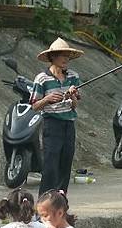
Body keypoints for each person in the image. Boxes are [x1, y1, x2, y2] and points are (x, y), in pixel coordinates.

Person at [30, 37, 84, 195]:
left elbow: (74, 105)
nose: (66, 59)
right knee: (51, 166)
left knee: (65, 164)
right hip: (52, 125)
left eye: (68, 56)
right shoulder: (42, 78)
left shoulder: (73, 76)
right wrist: (47, 99)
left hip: (69, 125)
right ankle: (44, 203)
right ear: (53, 57)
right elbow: (34, 106)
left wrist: (73, 95)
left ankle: (61, 202)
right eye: (63, 55)